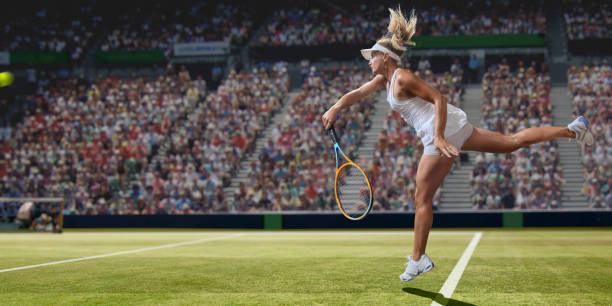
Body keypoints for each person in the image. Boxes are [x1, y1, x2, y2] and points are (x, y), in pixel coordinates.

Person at [320, 7, 594, 282]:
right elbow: (356, 94)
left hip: (440, 130)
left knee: (422, 198)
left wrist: (438, 137)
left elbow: (438, 98)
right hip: (455, 127)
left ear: (386, 57)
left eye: (373, 56)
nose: (369, 61)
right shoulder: (386, 79)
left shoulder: (402, 77)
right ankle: (572, 130)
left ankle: (417, 259)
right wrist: (335, 108)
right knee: (511, 143)